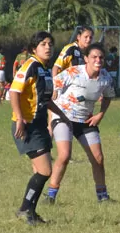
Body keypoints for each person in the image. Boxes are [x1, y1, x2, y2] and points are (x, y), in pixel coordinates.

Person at [9, 31, 70, 225]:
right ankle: (25, 209)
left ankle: (30, 212)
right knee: (44, 171)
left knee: (42, 171)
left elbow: (44, 99)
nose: (48, 47)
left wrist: (62, 115)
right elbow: (14, 91)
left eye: (50, 43)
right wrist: (19, 118)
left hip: (40, 124)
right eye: (43, 44)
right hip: (27, 125)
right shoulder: (31, 66)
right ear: (34, 48)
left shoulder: (45, 69)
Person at [46, 43, 116, 204]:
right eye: (94, 57)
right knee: (64, 155)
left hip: (86, 121)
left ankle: (103, 196)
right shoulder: (73, 72)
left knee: (98, 158)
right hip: (64, 118)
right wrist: (52, 116)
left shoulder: (105, 77)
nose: (98, 60)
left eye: (101, 57)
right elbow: (51, 87)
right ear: (86, 59)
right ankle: (50, 196)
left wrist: (100, 114)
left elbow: (108, 96)